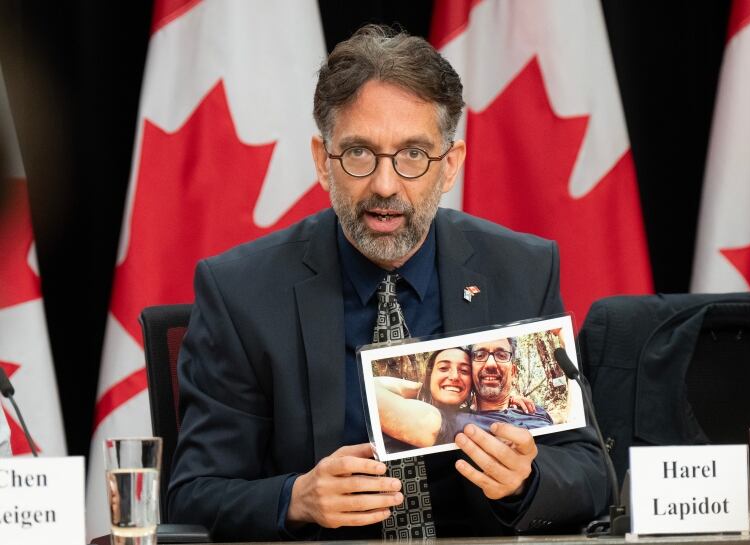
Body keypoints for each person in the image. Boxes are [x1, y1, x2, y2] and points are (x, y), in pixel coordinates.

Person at [167, 24, 608, 541]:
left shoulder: (521, 270)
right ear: (321, 162)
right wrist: (296, 499)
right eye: (358, 153)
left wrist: (525, 482)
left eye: (413, 155)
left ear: (451, 166)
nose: (384, 184)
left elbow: (591, 473)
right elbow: (193, 495)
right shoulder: (240, 291)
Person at [449, 338, 554, 441]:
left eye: (501, 355)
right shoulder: (453, 423)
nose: (491, 364)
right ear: (471, 370)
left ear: (513, 372)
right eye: (480, 355)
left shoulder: (538, 412)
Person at [374, 347, 473, 449]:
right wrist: (423, 387)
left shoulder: (465, 424)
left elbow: (371, 392)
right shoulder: (416, 405)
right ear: (430, 375)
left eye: (464, 371)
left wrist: (421, 387)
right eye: (443, 368)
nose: (455, 376)